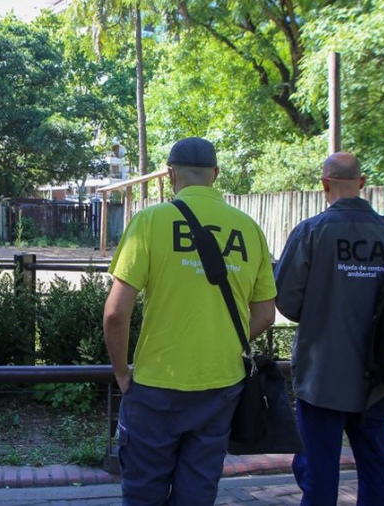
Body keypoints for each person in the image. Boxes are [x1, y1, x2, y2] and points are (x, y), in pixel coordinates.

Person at [103, 137, 277, 506]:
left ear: (169, 175)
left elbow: (116, 313)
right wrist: (222, 341)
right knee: (197, 491)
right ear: (215, 175)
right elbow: (265, 314)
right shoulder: (249, 229)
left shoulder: (150, 221)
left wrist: (121, 372)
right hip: (221, 383)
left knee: (143, 491)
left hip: (155, 385)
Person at [275, 152, 384, 506]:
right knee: (376, 467)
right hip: (377, 376)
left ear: (324, 184)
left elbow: (286, 302)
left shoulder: (311, 231)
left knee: (319, 471)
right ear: (362, 184)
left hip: (322, 376)